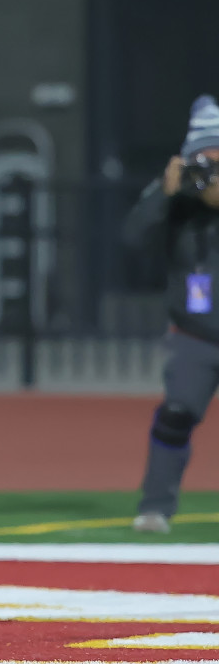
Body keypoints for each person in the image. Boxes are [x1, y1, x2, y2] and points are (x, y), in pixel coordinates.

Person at [126, 94, 219, 534]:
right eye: (205, 164)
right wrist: (165, 194)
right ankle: (155, 507)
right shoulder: (176, 204)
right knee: (177, 414)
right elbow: (134, 241)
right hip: (196, 334)